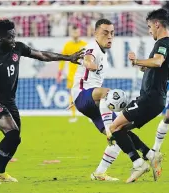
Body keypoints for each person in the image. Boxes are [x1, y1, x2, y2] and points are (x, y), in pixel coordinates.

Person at [0, 19, 84, 185]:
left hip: (10, 102)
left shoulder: (17, 47)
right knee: (12, 134)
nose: (13, 39)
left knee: (15, 138)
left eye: (14, 35)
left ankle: (2, 172)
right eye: (10, 37)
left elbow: (42, 55)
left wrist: (68, 57)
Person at [108, 8, 169, 183]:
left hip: (149, 98)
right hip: (156, 99)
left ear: (157, 24)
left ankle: (139, 163)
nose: (149, 30)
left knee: (113, 128)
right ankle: (150, 155)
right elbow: (156, 67)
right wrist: (140, 64)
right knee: (121, 130)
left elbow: (158, 61)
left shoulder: (163, 43)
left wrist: (137, 60)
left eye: (149, 26)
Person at [71, 18, 123, 181]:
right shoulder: (92, 48)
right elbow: (88, 59)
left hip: (90, 100)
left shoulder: (103, 54)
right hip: (85, 95)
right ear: (95, 34)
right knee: (107, 93)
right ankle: (109, 130)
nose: (109, 37)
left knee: (121, 133)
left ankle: (100, 172)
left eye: (112, 33)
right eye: (105, 33)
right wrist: (89, 63)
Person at [57, 25, 87, 123]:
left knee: (89, 94)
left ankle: (92, 115)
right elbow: (62, 59)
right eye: (73, 32)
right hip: (72, 75)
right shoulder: (67, 45)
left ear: (80, 32)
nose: (75, 34)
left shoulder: (85, 44)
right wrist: (60, 72)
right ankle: (73, 115)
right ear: (71, 33)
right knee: (72, 95)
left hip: (84, 74)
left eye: (77, 32)